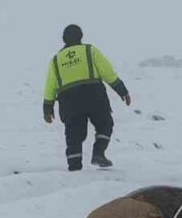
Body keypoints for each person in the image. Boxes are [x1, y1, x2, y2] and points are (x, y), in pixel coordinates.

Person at [43, 24, 132, 171]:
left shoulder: (56, 60)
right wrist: (122, 91)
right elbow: (107, 72)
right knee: (104, 124)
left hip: (68, 101)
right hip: (93, 95)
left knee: (73, 134)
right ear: (81, 36)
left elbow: (50, 85)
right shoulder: (90, 51)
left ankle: (74, 168)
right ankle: (98, 154)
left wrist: (47, 107)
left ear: (64, 39)